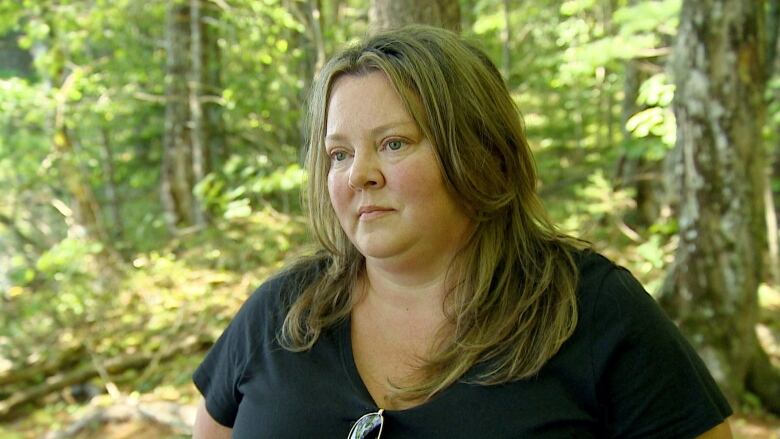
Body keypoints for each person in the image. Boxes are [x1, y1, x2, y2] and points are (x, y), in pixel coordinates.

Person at [192, 25, 733, 438]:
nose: (360, 174)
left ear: (477, 150)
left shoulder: (590, 311)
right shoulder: (282, 313)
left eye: (394, 143)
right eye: (339, 153)